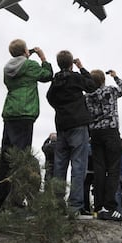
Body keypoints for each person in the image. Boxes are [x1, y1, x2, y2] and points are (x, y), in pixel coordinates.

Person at [0, 39, 53, 212]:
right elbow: (47, 75)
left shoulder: (7, 68)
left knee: (6, 159)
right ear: (25, 51)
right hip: (25, 113)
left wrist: (25, 54)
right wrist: (43, 58)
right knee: (21, 160)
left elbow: (20, 67)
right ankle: (17, 202)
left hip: (10, 112)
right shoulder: (31, 65)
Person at [46, 50, 97, 219]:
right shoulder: (75, 78)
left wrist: (61, 108)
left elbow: (49, 98)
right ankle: (74, 207)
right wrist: (81, 67)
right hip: (78, 124)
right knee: (78, 166)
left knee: (60, 166)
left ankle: (57, 205)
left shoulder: (55, 81)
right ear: (70, 64)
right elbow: (91, 85)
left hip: (62, 126)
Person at [85, 68, 122, 221]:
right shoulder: (110, 90)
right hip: (110, 131)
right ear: (103, 80)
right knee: (113, 169)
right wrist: (116, 76)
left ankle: (98, 207)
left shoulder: (88, 96)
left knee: (99, 169)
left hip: (95, 133)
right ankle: (110, 207)